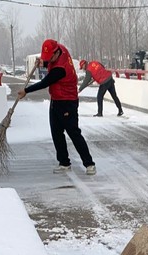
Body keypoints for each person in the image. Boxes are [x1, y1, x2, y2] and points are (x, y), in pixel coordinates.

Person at [17, 39, 97, 175]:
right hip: (56, 99)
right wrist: (43, 62)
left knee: (73, 133)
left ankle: (89, 164)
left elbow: (45, 82)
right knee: (56, 132)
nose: (48, 60)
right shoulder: (60, 48)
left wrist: (26, 91)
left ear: (56, 53)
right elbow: (50, 62)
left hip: (67, 102)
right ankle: (64, 163)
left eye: (50, 57)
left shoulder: (60, 69)